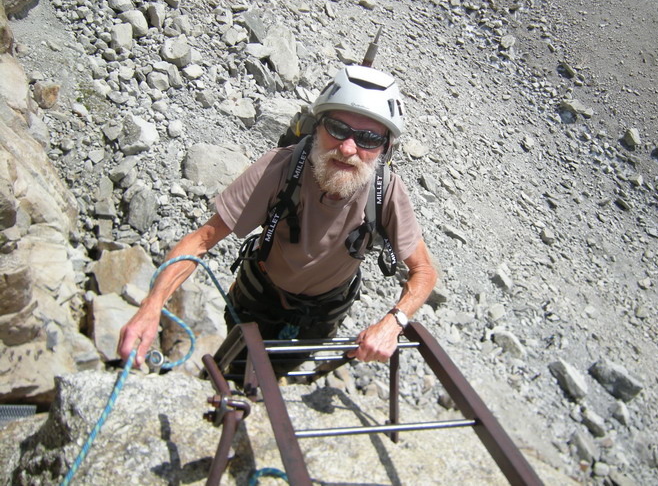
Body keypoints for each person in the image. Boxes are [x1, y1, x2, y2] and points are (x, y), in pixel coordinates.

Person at [117, 65, 437, 373]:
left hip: (324, 312)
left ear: (386, 149)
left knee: (281, 367)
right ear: (316, 128)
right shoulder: (281, 169)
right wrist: (152, 305)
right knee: (235, 360)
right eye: (338, 129)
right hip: (258, 295)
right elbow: (203, 239)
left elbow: (424, 271)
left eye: (368, 138)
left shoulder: (386, 190)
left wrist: (393, 323)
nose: (348, 147)